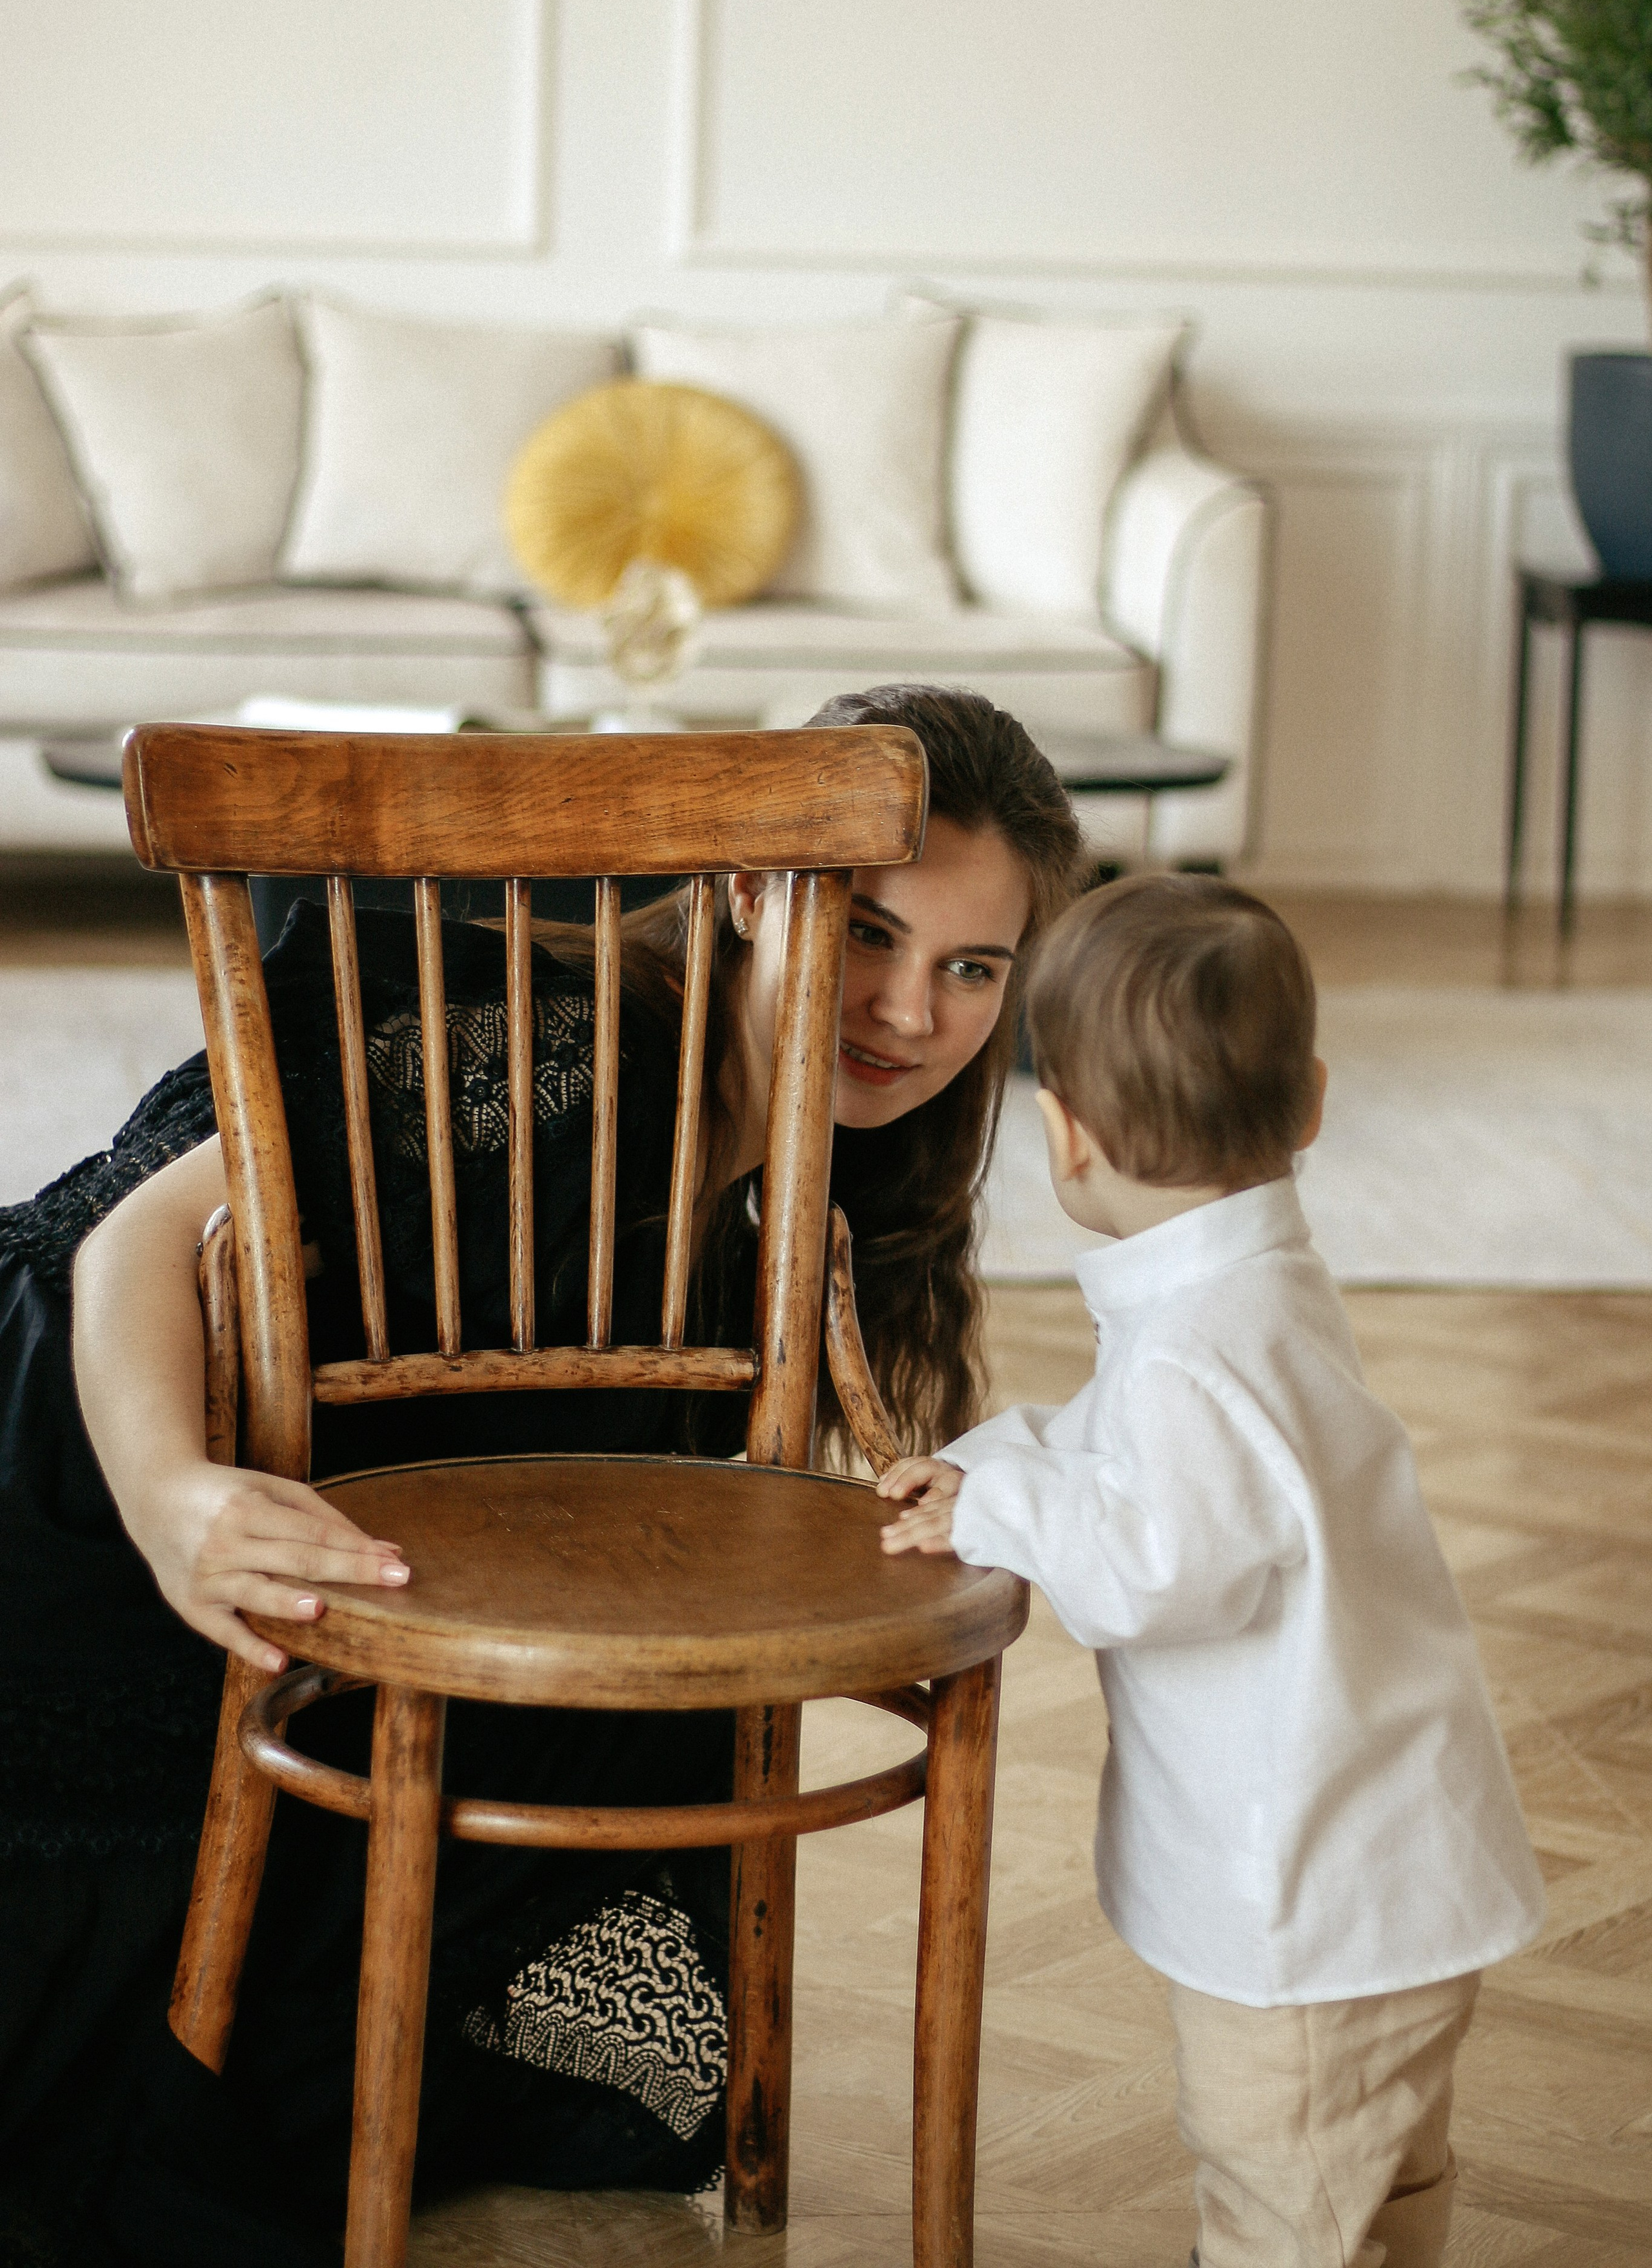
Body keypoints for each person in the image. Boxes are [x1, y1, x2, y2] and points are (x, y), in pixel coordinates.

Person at [0, 684, 1083, 2268]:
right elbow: (136, 1244)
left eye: (969, 967)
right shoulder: (550, 1044)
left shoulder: (794, 1198)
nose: (909, 1014)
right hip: (81, 1456)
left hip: (326, 1538)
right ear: (738, 885)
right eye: (865, 932)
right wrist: (171, 1499)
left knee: (647, 2048)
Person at [879, 875, 1544, 2268]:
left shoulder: (1194, 1345)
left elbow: (1149, 1566)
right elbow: (1164, 1468)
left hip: (1301, 1917)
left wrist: (1000, 1505)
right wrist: (1006, 1460)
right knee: (1375, 2182)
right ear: (1308, 1104)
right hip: (1383, 1885)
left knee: (1279, 2204)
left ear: (1060, 1137)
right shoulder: (1254, 1290)